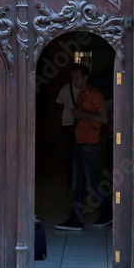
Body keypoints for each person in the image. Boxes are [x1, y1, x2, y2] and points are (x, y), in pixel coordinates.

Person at [55, 63, 112, 231]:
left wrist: (83, 114)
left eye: (77, 78)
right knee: (78, 184)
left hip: (91, 145)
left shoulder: (95, 94)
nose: (74, 81)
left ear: (86, 77)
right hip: (80, 143)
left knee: (93, 183)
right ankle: (76, 219)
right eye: (73, 78)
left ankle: (108, 213)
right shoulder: (81, 94)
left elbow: (104, 119)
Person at [55, 77, 78, 187]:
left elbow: (59, 106)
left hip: (67, 123)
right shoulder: (85, 89)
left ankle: (71, 181)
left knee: (70, 154)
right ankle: (77, 181)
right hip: (78, 123)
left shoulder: (65, 88)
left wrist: (59, 124)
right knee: (78, 154)